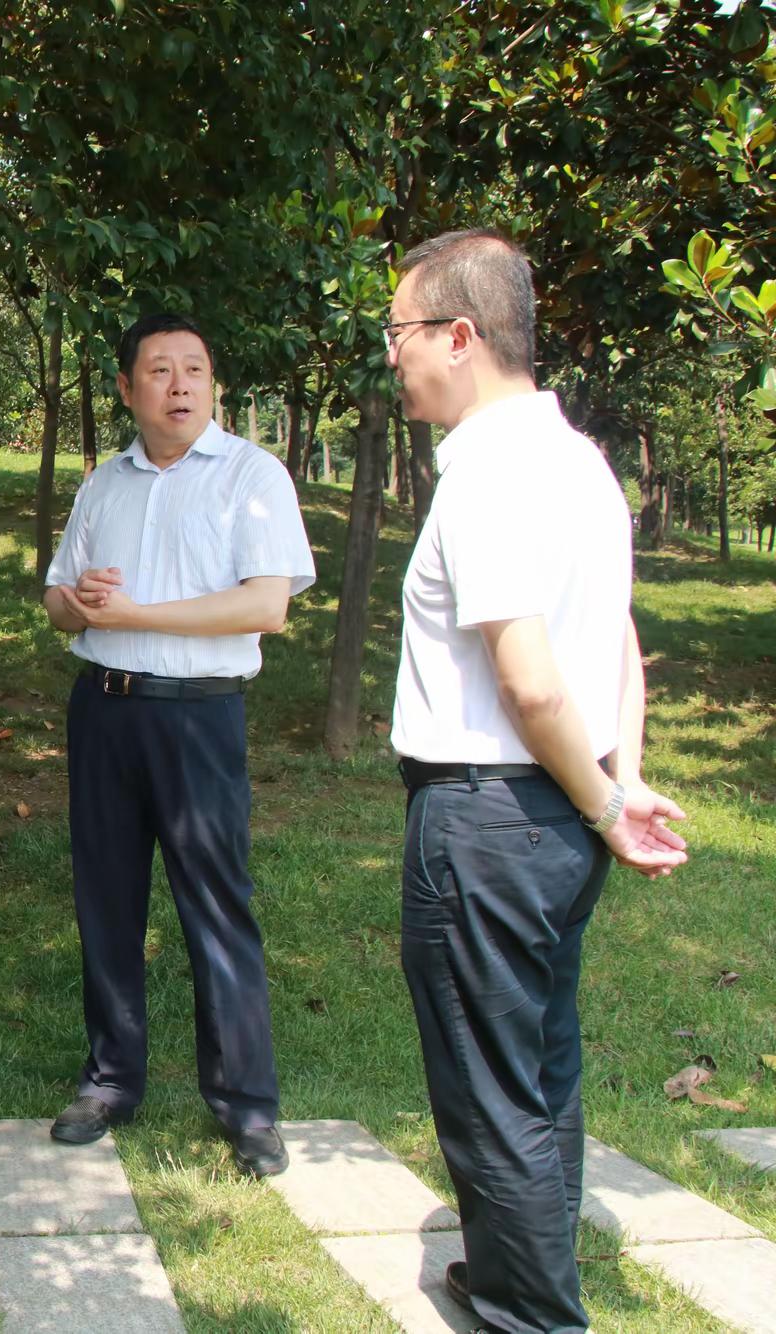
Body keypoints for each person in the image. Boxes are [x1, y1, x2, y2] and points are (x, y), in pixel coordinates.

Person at [386, 229, 688, 1333]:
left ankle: (530, 1313)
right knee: (539, 1068)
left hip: (486, 816)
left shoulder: (491, 474)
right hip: (549, 815)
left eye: (401, 333)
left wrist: (610, 800)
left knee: (489, 1090)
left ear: (459, 337)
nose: (393, 356)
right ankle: (515, 1275)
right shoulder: (579, 462)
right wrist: (620, 777)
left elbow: (529, 679)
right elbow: (612, 637)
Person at [41, 313, 314, 1178]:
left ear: (215, 386)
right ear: (127, 390)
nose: (180, 384)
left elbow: (265, 605)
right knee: (107, 901)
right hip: (105, 711)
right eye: (158, 370)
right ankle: (111, 1079)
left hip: (199, 717)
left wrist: (136, 614)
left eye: (195, 368)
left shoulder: (251, 476)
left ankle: (246, 1105)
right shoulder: (103, 486)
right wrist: (81, 605)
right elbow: (56, 602)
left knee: (216, 904)